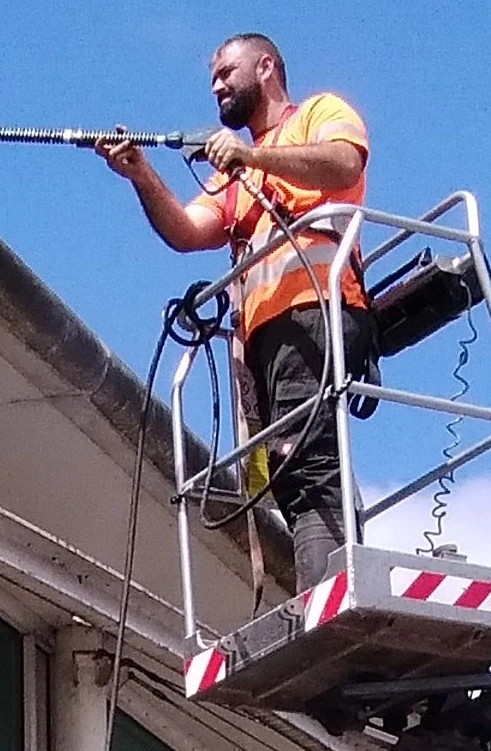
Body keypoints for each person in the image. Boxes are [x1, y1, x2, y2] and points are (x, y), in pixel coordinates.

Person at [95, 32, 376, 592]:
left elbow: (343, 165)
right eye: (214, 78)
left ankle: (326, 598)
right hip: (265, 340)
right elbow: (187, 230)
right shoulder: (230, 174)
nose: (217, 86)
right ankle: (333, 583)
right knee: (287, 470)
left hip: (314, 315)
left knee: (307, 465)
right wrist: (142, 175)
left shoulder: (317, 114)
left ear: (266, 67)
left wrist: (251, 154)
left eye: (227, 72)